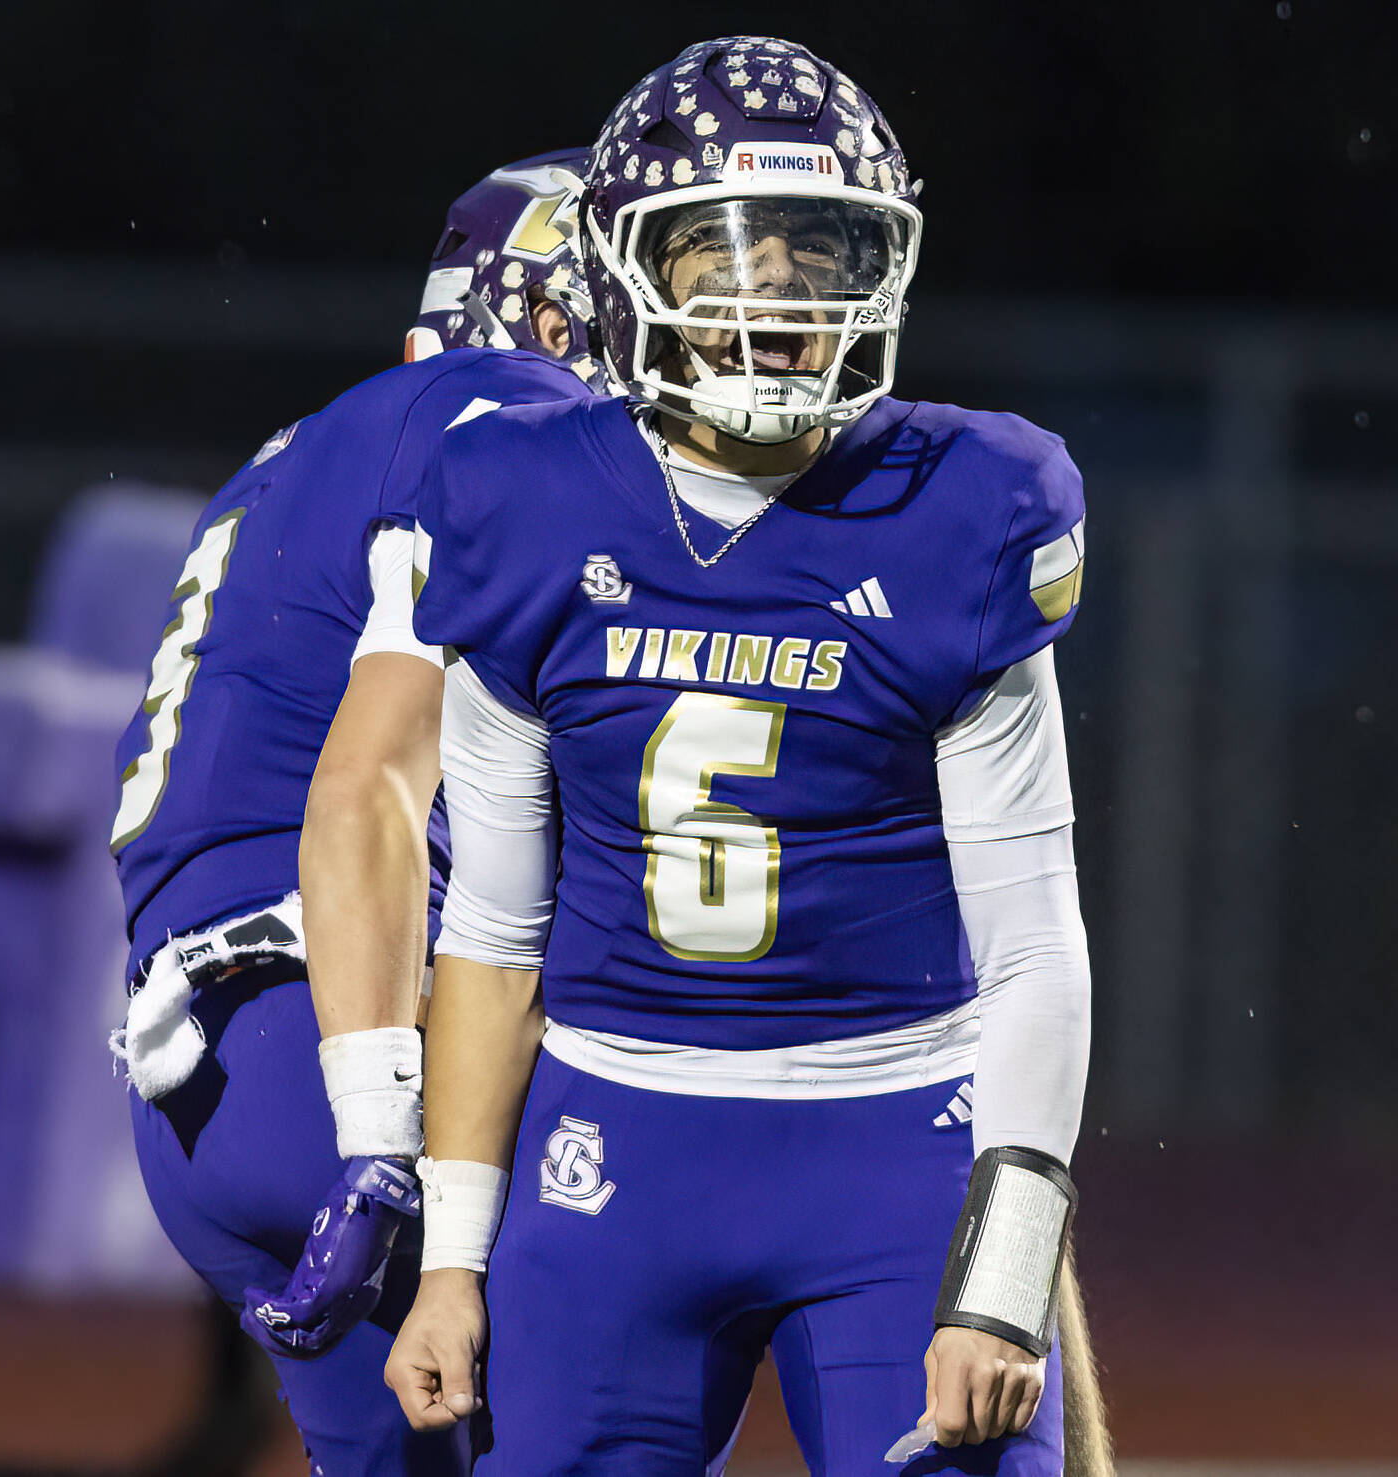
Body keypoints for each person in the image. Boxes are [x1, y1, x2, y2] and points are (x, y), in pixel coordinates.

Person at [391, 37, 1109, 1477]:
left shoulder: (962, 508)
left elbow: (1033, 941)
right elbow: (490, 928)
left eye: (820, 251)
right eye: (727, 250)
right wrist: (454, 1252)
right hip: (614, 1147)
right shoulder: (523, 500)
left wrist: (1003, 1270)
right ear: (623, 265)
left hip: (895, 1137)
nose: (778, 300)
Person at [108, 151, 601, 1477]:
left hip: (201, 1080)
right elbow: (374, 786)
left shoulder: (296, 457)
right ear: (557, 320)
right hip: (345, 1032)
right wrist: (381, 1129)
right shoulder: (505, 416)